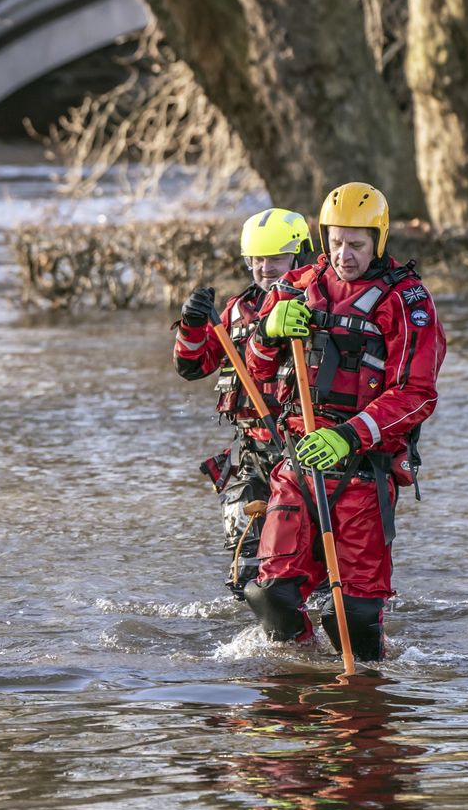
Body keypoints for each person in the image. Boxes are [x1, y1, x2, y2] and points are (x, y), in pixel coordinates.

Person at [241, 183, 446, 660]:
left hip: (362, 469)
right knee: (271, 594)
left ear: (379, 238)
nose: (343, 255)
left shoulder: (406, 301)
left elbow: (417, 395)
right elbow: (255, 373)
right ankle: (299, 683)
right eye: (334, 242)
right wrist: (268, 333)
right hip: (297, 460)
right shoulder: (297, 288)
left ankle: (362, 699)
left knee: (352, 616)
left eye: (355, 244)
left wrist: (348, 435)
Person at [173, 208, 313, 599]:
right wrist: (191, 324)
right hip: (250, 456)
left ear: (299, 256)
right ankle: (258, 651)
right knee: (245, 576)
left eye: (275, 259)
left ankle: (310, 640)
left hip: (302, 454)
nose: (264, 268)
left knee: (304, 565)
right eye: (256, 259)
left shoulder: (317, 304)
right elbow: (192, 365)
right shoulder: (236, 311)